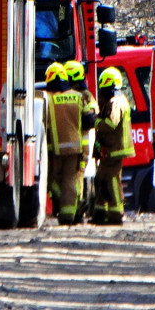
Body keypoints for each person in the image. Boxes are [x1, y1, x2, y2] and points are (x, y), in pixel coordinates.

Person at [43, 62, 85, 225]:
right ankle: (68, 214)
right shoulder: (78, 96)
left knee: (52, 179)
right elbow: (88, 120)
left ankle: (61, 206)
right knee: (70, 180)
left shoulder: (48, 99)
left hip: (53, 149)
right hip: (75, 148)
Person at [92, 67, 135, 225]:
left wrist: (94, 122)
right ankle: (100, 212)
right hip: (111, 148)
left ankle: (116, 213)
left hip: (115, 148)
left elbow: (111, 123)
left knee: (112, 180)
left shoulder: (116, 102)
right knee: (102, 178)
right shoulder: (116, 100)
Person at [63, 60, 97, 221]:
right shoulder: (77, 94)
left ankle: (78, 210)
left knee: (77, 176)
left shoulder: (85, 95)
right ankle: (76, 208)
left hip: (81, 145)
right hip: (76, 143)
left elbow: (91, 118)